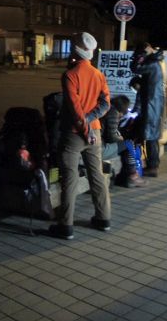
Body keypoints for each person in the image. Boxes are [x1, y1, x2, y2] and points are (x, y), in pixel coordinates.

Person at [49, 32, 111, 240]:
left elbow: (76, 111)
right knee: (97, 175)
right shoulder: (98, 74)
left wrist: (85, 130)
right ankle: (103, 219)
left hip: (74, 134)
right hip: (95, 132)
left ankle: (65, 226)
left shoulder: (70, 75)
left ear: (74, 50)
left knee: (70, 178)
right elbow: (106, 104)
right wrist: (91, 126)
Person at [131, 42, 165, 177]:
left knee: (150, 135)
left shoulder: (152, 63)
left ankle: (152, 167)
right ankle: (152, 165)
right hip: (152, 103)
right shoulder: (153, 61)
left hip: (152, 104)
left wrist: (138, 57)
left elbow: (135, 68)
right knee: (151, 135)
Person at [101, 95, 145, 187]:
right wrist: (122, 138)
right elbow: (111, 137)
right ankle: (132, 176)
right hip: (100, 149)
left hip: (96, 145)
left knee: (126, 144)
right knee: (129, 144)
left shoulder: (108, 108)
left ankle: (123, 177)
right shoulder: (113, 112)